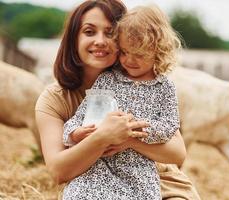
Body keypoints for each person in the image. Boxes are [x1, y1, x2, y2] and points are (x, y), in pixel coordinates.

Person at [35, 0, 201, 199]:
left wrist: (128, 139)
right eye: (89, 32)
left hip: (157, 178)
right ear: (73, 39)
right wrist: (103, 136)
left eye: (109, 32)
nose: (101, 41)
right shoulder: (54, 99)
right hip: (98, 178)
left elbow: (177, 153)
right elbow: (58, 171)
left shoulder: (152, 83)